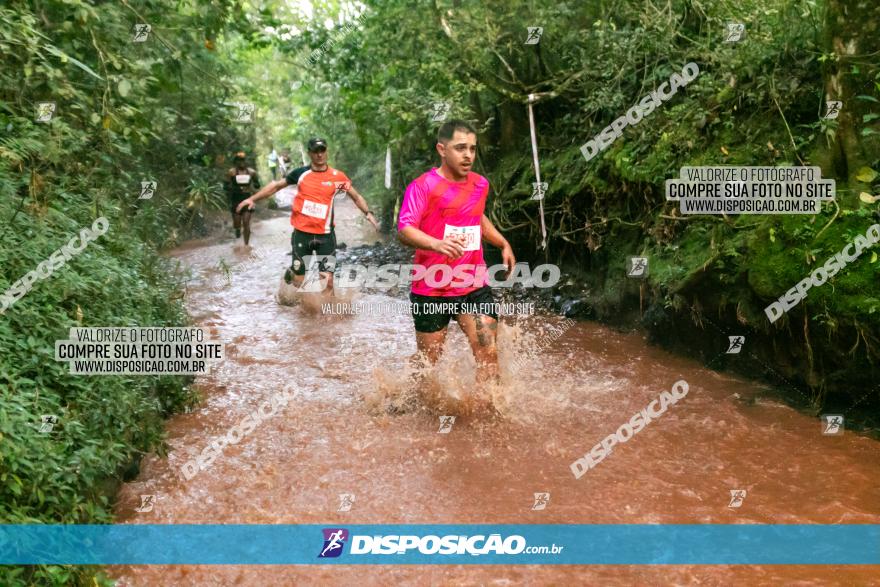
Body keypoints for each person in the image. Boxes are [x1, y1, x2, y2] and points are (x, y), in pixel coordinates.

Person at [397, 120, 515, 386]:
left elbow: (477, 217)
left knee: (488, 352)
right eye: (460, 148)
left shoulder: (480, 184)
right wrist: (435, 244)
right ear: (442, 149)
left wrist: (502, 243)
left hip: (473, 285)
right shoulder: (422, 186)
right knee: (429, 360)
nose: (468, 155)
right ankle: (404, 394)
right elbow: (405, 229)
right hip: (432, 287)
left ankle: (489, 416)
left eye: (472, 149)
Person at [236, 137, 380, 293]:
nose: (319, 155)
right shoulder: (301, 173)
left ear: (327, 152)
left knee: (328, 281)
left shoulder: (337, 176)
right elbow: (276, 186)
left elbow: (356, 196)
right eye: (316, 151)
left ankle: (324, 315)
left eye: (322, 150)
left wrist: (368, 213)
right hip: (302, 235)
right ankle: (292, 274)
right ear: (309, 153)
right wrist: (251, 199)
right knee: (299, 282)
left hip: (326, 236)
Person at [225, 151, 261, 245]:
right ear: (236, 161)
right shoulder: (231, 172)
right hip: (236, 199)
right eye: (239, 160)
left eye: (243, 160)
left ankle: (246, 245)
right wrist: (234, 189)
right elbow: (225, 186)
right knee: (237, 223)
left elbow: (257, 185)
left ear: (246, 161)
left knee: (246, 222)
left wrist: (254, 186)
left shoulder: (252, 172)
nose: (241, 162)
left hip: (247, 199)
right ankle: (237, 230)